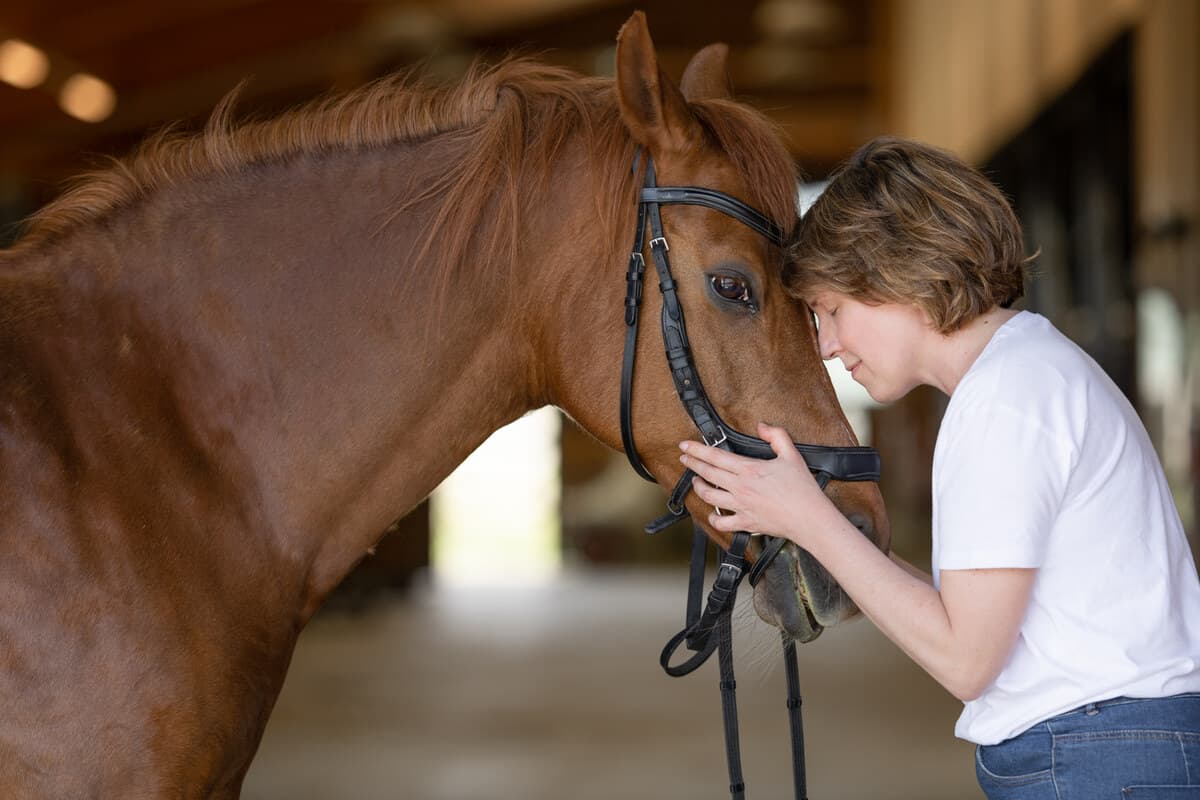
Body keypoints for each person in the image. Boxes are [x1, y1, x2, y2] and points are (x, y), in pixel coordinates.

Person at [677, 136, 1200, 798]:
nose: (831, 347)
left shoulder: (1006, 401)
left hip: (1097, 755)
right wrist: (802, 522)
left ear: (900, 275)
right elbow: (971, 616)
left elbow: (965, 659)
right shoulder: (1025, 375)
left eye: (832, 311)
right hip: (1106, 745)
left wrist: (809, 516)